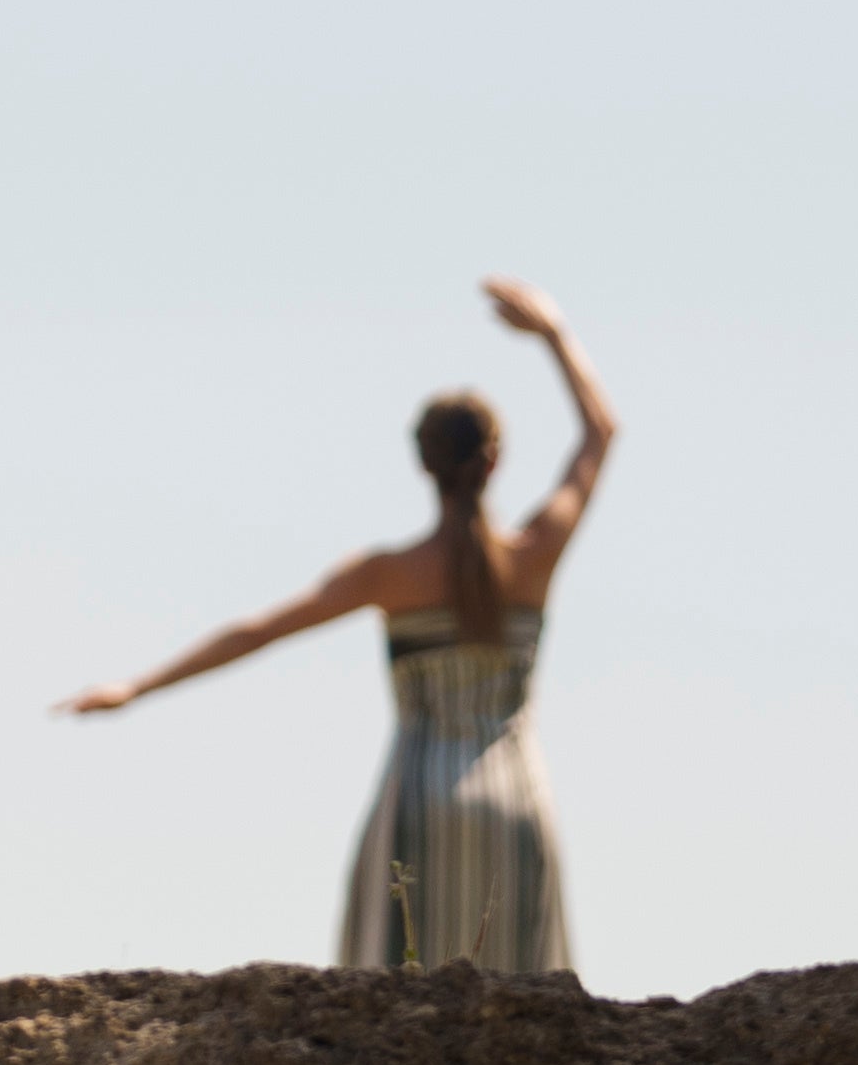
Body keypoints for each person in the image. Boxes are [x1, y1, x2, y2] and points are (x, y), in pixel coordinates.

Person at [62, 277, 618, 976]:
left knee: (392, 1010)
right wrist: (554, 333)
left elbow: (257, 628)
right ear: (495, 459)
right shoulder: (534, 555)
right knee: (524, 1019)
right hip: (514, 807)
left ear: (422, 463)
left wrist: (137, 686)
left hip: (417, 805)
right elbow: (601, 433)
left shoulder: (387, 575)